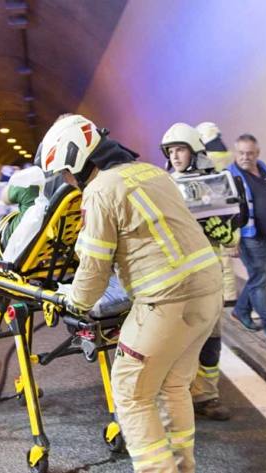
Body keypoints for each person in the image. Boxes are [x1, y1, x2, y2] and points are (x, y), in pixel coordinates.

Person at [43, 114, 222, 473]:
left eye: (64, 172)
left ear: (78, 161)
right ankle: (183, 467)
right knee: (174, 385)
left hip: (164, 302)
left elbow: (93, 270)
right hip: (208, 292)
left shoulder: (99, 191)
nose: (65, 181)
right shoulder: (154, 173)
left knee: (132, 394)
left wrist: (71, 301)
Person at [161, 123, 241, 421]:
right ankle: (177, 395)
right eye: (171, 151)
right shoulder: (164, 186)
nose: (175, 155)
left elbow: (231, 234)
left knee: (211, 337)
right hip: (176, 278)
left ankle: (206, 395)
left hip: (208, 277)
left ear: (194, 151)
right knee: (176, 339)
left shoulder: (214, 186)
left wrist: (221, 229)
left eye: (180, 149)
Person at [228, 134, 266, 343]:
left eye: (250, 153)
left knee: (259, 279)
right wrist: (233, 240)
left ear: (257, 153)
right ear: (236, 153)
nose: (246, 157)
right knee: (259, 281)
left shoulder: (262, 168)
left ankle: (241, 310)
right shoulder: (230, 177)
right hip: (251, 239)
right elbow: (227, 211)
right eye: (242, 153)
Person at [196, 122, 239, 306]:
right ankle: (230, 294)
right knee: (228, 256)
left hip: (211, 210)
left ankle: (228, 295)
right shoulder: (228, 156)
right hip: (229, 210)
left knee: (221, 258)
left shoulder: (207, 159)